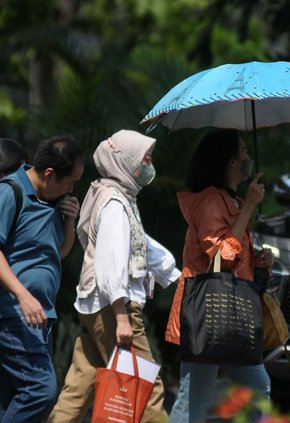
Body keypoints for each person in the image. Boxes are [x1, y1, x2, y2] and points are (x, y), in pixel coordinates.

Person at [48, 129, 180, 423]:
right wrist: (122, 318)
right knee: (147, 390)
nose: (149, 165)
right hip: (113, 308)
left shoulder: (112, 195)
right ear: (127, 161)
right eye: (145, 158)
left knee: (78, 386)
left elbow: (141, 244)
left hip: (96, 306)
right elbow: (110, 262)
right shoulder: (115, 204)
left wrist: (174, 274)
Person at [166, 129, 274, 423]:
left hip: (225, 313)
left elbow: (236, 255)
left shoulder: (229, 199)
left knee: (252, 387)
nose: (249, 158)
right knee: (194, 400)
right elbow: (221, 258)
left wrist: (259, 260)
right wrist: (250, 205)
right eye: (243, 152)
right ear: (231, 162)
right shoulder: (212, 201)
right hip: (208, 314)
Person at [0, 135, 84, 423]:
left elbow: (57, 252)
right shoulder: (10, 192)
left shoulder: (54, 202)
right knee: (41, 390)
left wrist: (70, 223)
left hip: (41, 316)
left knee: (11, 399)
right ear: (49, 174)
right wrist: (23, 296)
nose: (72, 189)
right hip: (15, 314)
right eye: (70, 181)